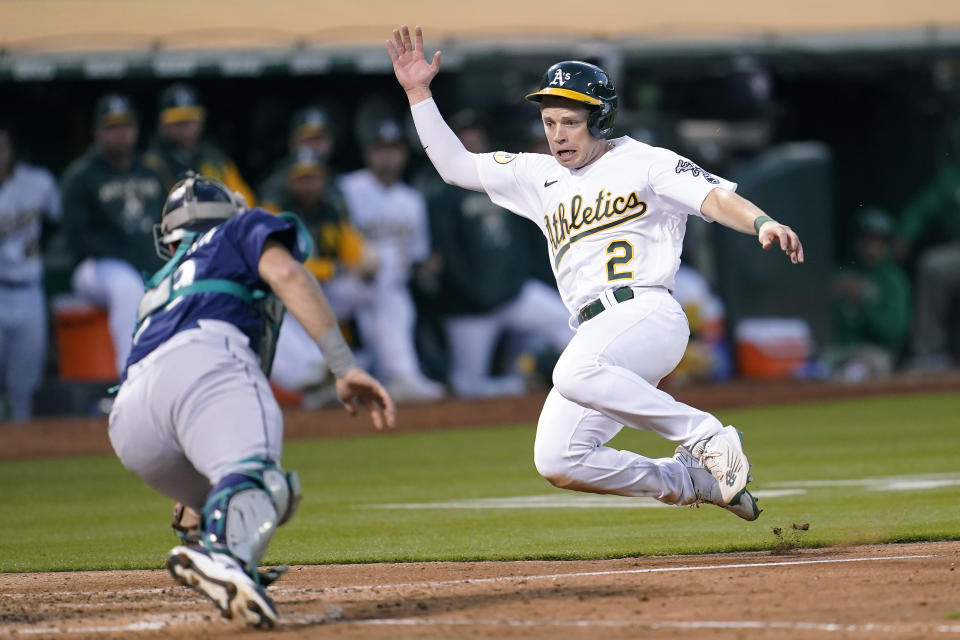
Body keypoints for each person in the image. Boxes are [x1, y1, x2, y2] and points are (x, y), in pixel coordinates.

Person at [388, 25, 804, 519]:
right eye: (549, 121)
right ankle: (688, 481)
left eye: (570, 121)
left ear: (600, 119)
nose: (557, 134)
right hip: (595, 330)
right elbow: (455, 166)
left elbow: (713, 197)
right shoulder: (536, 174)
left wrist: (761, 221)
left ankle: (708, 437)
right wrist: (418, 94)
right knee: (559, 458)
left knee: (572, 370)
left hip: (647, 312)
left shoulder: (646, 162)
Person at [108, 173, 395, 627]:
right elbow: (285, 272)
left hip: (130, 415)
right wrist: (344, 366)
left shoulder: (161, 282)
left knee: (238, 487)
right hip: (205, 363)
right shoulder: (239, 229)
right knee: (269, 485)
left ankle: (217, 546)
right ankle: (225, 558)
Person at [427, 111, 573, 397]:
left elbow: (523, 242)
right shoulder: (442, 191)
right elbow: (448, 255)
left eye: (476, 131)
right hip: (469, 307)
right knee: (467, 387)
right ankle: (521, 382)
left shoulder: (503, 176)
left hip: (513, 294)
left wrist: (515, 281)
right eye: (465, 131)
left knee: (569, 325)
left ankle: (539, 376)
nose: (472, 136)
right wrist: (475, 293)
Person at [337, 116, 446, 402]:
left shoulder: (411, 199)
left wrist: (427, 267)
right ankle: (401, 376)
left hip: (387, 289)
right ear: (368, 153)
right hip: (343, 284)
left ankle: (388, 377)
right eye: (380, 148)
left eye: (393, 149)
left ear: (403, 154)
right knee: (386, 278)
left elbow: (417, 256)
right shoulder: (347, 188)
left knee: (391, 298)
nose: (388, 155)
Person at [60, 94, 166, 375]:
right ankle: (130, 376)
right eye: (111, 127)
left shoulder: (151, 173)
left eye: (126, 126)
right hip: (94, 268)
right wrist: (132, 257)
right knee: (126, 286)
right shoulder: (81, 176)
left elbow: (166, 227)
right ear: (97, 132)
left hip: (146, 264)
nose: (120, 134)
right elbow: (78, 238)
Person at [266, 149, 378, 395]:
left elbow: (355, 251)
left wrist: (366, 259)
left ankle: (378, 364)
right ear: (289, 180)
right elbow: (283, 265)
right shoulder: (275, 210)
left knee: (373, 290)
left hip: (325, 291)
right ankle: (314, 372)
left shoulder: (331, 207)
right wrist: (335, 267)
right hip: (287, 292)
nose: (309, 184)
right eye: (302, 178)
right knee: (277, 311)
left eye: (313, 177)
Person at [0, 123, 60, 420]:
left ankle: (19, 449)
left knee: (25, 385)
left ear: (11, 151)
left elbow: (59, 223)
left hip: (28, 289)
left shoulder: (38, 182)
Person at [894, 128, 960, 371]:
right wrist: (904, 234)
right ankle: (930, 354)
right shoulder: (953, 178)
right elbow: (921, 208)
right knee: (933, 266)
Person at [826, 208, 911, 381]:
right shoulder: (847, 273)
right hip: (841, 350)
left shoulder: (893, 279)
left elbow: (895, 332)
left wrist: (863, 301)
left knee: (855, 371)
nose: (869, 245)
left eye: (876, 240)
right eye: (865, 238)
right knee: (812, 369)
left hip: (878, 353)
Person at [144, 83, 256, 206]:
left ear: (202, 119)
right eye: (178, 122)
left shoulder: (216, 160)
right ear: (162, 124)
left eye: (191, 120)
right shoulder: (151, 164)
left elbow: (245, 203)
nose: (185, 127)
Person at [259, 106, 337, 210]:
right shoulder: (276, 183)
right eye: (308, 139)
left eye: (319, 138)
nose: (314, 145)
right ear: (293, 142)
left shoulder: (335, 180)